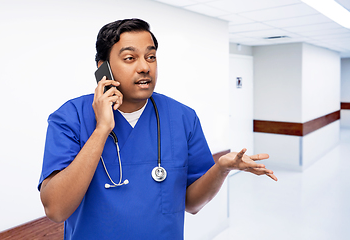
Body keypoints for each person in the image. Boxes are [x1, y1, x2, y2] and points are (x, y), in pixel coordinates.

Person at [38, 18, 277, 240]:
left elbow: (192, 204)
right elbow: (56, 209)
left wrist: (221, 169)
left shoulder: (182, 117)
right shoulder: (70, 118)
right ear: (104, 69)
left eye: (151, 57)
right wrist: (101, 129)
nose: (145, 67)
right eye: (130, 58)